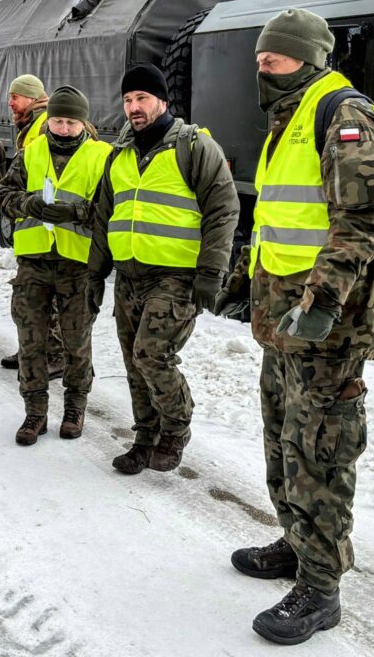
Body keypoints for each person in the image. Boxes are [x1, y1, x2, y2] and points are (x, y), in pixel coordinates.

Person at [222, 9, 374, 646]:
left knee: (319, 450)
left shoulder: (342, 116)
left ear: (310, 58)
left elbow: (361, 222)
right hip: (283, 319)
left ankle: (321, 587)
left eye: (275, 58)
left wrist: (322, 298)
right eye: (260, 58)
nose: (262, 67)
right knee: (283, 439)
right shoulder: (288, 116)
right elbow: (279, 218)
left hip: (327, 325)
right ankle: (296, 543)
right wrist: (245, 278)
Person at [87, 63, 238, 473]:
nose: (133, 107)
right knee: (133, 362)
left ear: (163, 101)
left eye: (142, 98)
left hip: (174, 276)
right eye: (127, 100)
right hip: (129, 275)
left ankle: (174, 430)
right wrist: (95, 274)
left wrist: (211, 272)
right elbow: (104, 216)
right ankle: (144, 437)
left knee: (151, 354)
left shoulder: (194, 147)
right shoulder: (118, 154)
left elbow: (223, 210)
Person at [0, 86, 111, 444]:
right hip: (34, 263)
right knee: (31, 340)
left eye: (71, 122)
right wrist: (27, 204)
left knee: (77, 341)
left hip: (78, 265)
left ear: (83, 123)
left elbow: (112, 208)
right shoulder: (30, 152)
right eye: (57, 121)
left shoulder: (102, 156)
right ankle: (35, 412)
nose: (63, 128)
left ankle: (75, 407)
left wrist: (77, 212)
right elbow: (4, 195)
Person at [0, 73, 63, 378]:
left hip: (51, 228)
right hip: (35, 225)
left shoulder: (45, 125)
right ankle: (32, 350)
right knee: (30, 299)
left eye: (15, 96)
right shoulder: (29, 126)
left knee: (48, 300)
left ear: (33, 97)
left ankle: (54, 355)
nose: (10, 103)